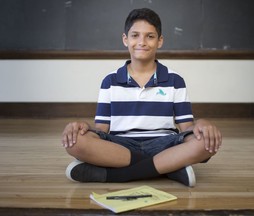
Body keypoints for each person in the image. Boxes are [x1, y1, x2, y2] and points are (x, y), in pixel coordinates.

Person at [61, 8, 222, 187]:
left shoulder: (175, 80)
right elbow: (101, 130)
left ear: (160, 41)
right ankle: (169, 167)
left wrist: (203, 124)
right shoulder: (110, 81)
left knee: (205, 143)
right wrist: (85, 128)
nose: (142, 42)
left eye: (150, 36)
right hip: (120, 146)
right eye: (135, 35)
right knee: (75, 142)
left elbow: (187, 128)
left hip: (164, 143)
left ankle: (115, 174)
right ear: (125, 39)